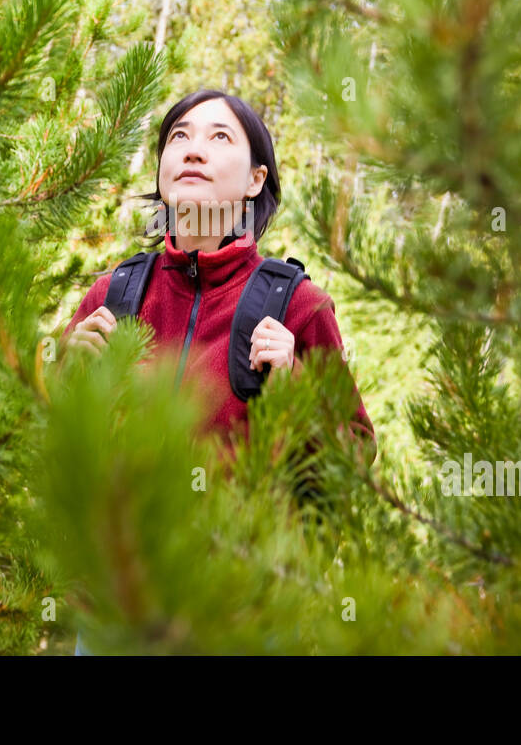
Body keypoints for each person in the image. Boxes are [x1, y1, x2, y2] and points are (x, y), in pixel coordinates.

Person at [58, 90, 376, 655]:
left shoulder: (299, 307)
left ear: (256, 179)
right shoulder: (112, 296)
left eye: (219, 136)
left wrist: (295, 386)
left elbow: (354, 454)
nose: (193, 150)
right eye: (178, 136)